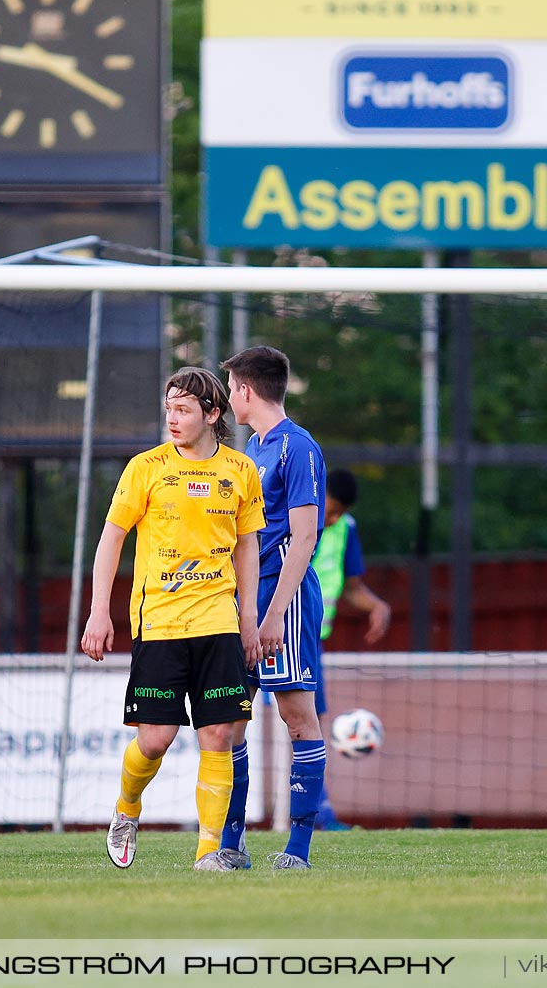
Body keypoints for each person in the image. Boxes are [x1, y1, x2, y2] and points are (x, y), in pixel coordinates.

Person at [79, 367, 264, 872]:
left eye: (183, 409)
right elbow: (111, 539)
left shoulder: (240, 471)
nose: (173, 419)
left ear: (213, 414)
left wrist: (249, 619)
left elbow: (248, 547)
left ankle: (209, 853)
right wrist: (99, 611)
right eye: (169, 409)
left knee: (220, 735)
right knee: (155, 739)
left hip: (218, 621)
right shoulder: (145, 467)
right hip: (159, 621)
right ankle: (128, 805)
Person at [216, 345, 327, 870]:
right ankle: (231, 845)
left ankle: (298, 850)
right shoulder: (251, 452)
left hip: (284, 600)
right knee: (232, 716)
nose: (229, 396)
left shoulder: (296, 447)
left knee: (296, 713)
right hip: (245, 598)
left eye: (231, 387)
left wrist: (274, 613)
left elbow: (304, 538)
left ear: (245, 390)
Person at [309, 468, 392, 831]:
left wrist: (377, 605)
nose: (335, 517)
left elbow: (352, 587)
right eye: (332, 509)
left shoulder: (345, 529)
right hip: (263, 633)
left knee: (308, 723)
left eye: (341, 511)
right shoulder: (286, 517)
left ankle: (317, 815)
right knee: (233, 722)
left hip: (307, 641)